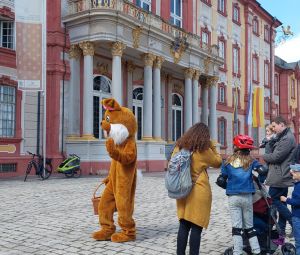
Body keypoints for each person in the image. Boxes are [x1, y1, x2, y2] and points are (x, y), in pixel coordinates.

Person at [172, 122, 222, 255]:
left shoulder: (180, 146)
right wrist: (212, 145)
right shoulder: (203, 150)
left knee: (183, 224)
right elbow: (218, 162)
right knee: (196, 227)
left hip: (182, 190)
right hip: (198, 191)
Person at [220, 135, 261, 255]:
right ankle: (256, 251)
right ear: (248, 150)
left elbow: (221, 180)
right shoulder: (251, 161)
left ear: (235, 147)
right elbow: (262, 170)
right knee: (249, 227)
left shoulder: (227, 162)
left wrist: (228, 187)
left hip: (233, 197)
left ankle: (237, 251)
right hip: (247, 196)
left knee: (236, 227)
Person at [263, 116, 296, 238]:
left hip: (281, 175)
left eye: (274, 126)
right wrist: (270, 142)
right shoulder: (282, 136)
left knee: (275, 200)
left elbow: (276, 157)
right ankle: (281, 229)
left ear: (281, 124)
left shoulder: (287, 138)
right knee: (282, 201)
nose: (273, 128)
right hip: (280, 174)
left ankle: (294, 222)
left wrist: (264, 156)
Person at [280, 169, 300, 255]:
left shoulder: (299, 186)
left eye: (295, 171)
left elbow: (298, 201)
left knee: (298, 239)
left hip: (297, 216)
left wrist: (286, 199)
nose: (291, 172)